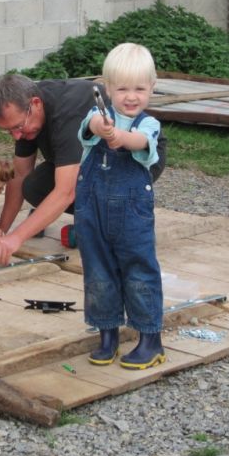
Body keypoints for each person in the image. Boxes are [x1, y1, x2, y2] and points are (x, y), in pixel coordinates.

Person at [0, 73, 166, 265]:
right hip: (94, 160)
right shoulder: (25, 118)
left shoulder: (68, 112)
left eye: (18, 127)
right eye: (9, 131)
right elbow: (20, 175)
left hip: (135, 156)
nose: (16, 135)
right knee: (33, 186)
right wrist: (1, 232)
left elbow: (66, 191)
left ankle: (119, 223)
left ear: (35, 104)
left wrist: (16, 238)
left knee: (93, 197)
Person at [76, 43, 165, 370]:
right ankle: (107, 333)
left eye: (140, 89)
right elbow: (89, 128)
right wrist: (102, 128)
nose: (131, 96)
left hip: (132, 215)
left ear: (152, 89)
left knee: (139, 270)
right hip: (92, 211)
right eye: (123, 88)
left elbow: (143, 143)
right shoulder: (97, 116)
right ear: (107, 89)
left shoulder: (148, 124)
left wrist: (121, 140)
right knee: (98, 271)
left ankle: (150, 339)